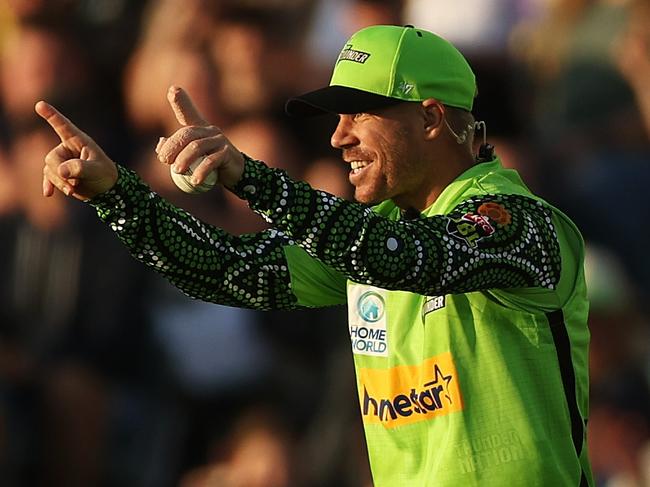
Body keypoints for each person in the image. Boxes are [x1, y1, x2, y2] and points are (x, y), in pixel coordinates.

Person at [36, 24, 593, 486]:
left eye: (360, 114)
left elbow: (412, 259)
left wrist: (250, 178)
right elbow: (230, 271)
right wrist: (117, 194)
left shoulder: (519, 223)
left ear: (430, 119)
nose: (337, 138)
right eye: (335, 118)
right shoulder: (368, 234)